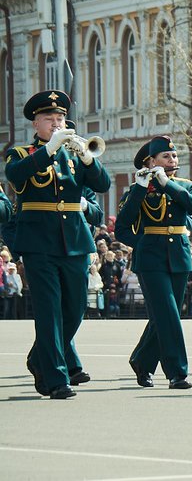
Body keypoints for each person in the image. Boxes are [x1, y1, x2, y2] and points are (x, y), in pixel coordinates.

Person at [5, 90, 111, 399]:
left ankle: (39, 358)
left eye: (60, 118)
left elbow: (102, 185)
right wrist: (48, 149)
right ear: (35, 124)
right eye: (49, 119)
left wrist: (88, 158)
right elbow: (15, 176)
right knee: (49, 311)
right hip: (39, 243)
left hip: (75, 242)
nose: (56, 124)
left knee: (75, 309)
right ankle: (55, 378)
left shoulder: (75, 157)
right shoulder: (22, 154)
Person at [116, 135, 192, 389]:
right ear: (151, 161)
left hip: (178, 255)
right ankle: (177, 372)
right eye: (166, 156)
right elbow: (122, 227)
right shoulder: (137, 190)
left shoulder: (185, 185)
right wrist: (141, 190)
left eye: (174, 156)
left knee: (166, 315)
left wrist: (167, 184)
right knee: (167, 314)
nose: (172, 160)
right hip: (150, 257)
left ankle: (142, 361)